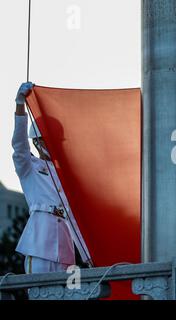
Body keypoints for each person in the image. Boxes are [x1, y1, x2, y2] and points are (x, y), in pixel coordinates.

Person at [13, 82, 90, 274]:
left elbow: (74, 216)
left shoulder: (65, 173)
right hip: (38, 245)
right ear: (38, 142)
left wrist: (87, 255)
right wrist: (20, 105)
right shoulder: (29, 167)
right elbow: (19, 146)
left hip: (65, 248)